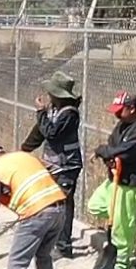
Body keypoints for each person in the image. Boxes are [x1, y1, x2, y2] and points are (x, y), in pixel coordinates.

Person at [19, 70, 83, 258]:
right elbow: (40, 131)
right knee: (52, 203)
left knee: (63, 204)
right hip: (53, 166)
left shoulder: (70, 114)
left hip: (67, 167)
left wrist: (40, 112)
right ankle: (55, 241)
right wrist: (24, 149)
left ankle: (64, 246)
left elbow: (52, 133)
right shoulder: (53, 110)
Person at [88, 90, 136, 269]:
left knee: (122, 227)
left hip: (131, 184)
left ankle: (123, 264)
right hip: (115, 179)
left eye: (120, 110)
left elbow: (126, 151)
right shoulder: (121, 125)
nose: (116, 113)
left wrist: (106, 152)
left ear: (131, 108)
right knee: (95, 205)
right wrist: (109, 157)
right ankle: (134, 215)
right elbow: (113, 146)